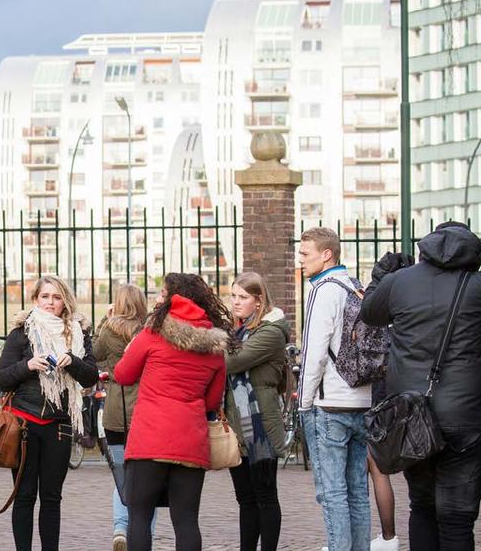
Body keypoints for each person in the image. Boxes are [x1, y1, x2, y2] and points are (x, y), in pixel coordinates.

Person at [360, 222, 481, 550]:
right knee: (458, 517)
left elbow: (370, 312)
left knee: (422, 507)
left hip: (412, 417)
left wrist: (381, 274)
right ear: (474, 253)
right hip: (466, 416)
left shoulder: (399, 283)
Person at [114, 273, 230, 551]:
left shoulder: (152, 333)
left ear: (175, 299)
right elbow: (213, 401)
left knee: (140, 516)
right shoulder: (214, 346)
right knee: (187, 519)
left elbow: (123, 374)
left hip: (149, 438)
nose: (157, 299)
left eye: (162, 293)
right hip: (191, 440)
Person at [0, 275, 99, 551]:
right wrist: (28, 365)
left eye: (56, 297)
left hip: (59, 426)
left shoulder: (79, 332)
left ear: (65, 301)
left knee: (52, 497)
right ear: (35, 299)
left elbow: (89, 378)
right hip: (24, 425)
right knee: (25, 495)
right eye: (45, 297)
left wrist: (72, 361)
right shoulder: (22, 332)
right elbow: (1, 378)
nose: (51, 303)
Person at [297, 227, 370, 551]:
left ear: (327, 254)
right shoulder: (356, 287)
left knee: (332, 493)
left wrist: (305, 402)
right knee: (358, 490)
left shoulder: (324, 289)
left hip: (330, 406)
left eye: (305, 253)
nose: (300, 260)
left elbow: (314, 352)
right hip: (362, 399)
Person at [225, 272, 289, 551]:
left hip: (261, 425)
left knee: (264, 495)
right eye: (233, 296)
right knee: (245, 498)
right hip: (238, 427)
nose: (235, 302)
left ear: (259, 301)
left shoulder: (271, 332)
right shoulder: (238, 331)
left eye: (243, 297)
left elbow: (232, 361)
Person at [93, 284, 150, 551]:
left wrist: (105, 319)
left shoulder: (109, 330)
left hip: (116, 412)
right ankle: (143, 533)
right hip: (145, 411)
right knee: (148, 479)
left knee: (121, 476)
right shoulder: (149, 331)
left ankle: (120, 527)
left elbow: (93, 354)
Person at [368, 375, 398, 551]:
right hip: (387, 391)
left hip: (367, 392)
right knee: (378, 468)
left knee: (368, 466)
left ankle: (349, 538)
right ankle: (389, 538)